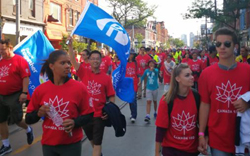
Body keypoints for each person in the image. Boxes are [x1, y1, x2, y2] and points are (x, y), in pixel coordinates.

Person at [25, 50, 94, 156]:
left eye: (68, 63)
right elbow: (29, 118)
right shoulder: (41, 90)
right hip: (49, 145)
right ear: (52, 66)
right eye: (62, 63)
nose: (67, 66)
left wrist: (75, 122)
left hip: (71, 145)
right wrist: (39, 113)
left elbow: (89, 114)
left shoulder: (79, 88)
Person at [198, 27, 250, 156]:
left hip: (245, 138)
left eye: (227, 44)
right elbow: (205, 104)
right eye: (218, 44)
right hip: (218, 139)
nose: (222, 47)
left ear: (235, 46)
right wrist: (201, 134)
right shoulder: (206, 74)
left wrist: (248, 103)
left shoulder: (247, 70)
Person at [68, 37, 115, 156]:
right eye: (93, 59)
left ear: (101, 61)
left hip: (99, 115)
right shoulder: (84, 72)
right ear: (88, 60)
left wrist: (110, 111)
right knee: (92, 141)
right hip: (85, 115)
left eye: (97, 59)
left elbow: (111, 95)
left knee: (97, 143)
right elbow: (73, 61)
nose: (95, 61)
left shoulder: (105, 78)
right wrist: (70, 46)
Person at [155, 63, 200, 156]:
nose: (192, 77)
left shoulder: (196, 96)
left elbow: (202, 122)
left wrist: (203, 138)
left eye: (191, 74)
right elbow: (160, 129)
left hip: (191, 150)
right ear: (177, 79)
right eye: (187, 75)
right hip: (171, 150)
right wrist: (156, 152)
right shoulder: (166, 100)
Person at [0, 39, 34, 155]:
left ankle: (28, 129)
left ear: (10, 48)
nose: (1, 52)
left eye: (3, 49)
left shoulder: (20, 60)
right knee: (1, 120)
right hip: (1, 95)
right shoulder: (1, 61)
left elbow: (25, 77)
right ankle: (6, 145)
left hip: (15, 95)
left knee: (17, 120)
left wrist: (24, 93)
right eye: (0, 50)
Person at [126, 52, 139, 123]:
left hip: (134, 83)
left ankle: (134, 115)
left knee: (134, 99)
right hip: (127, 84)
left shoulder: (135, 63)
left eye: (131, 54)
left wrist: (139, 82)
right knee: (130, 100)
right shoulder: (125, 63)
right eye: (129, 54)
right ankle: (132, 113)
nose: (130, 56)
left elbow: (137, 73)